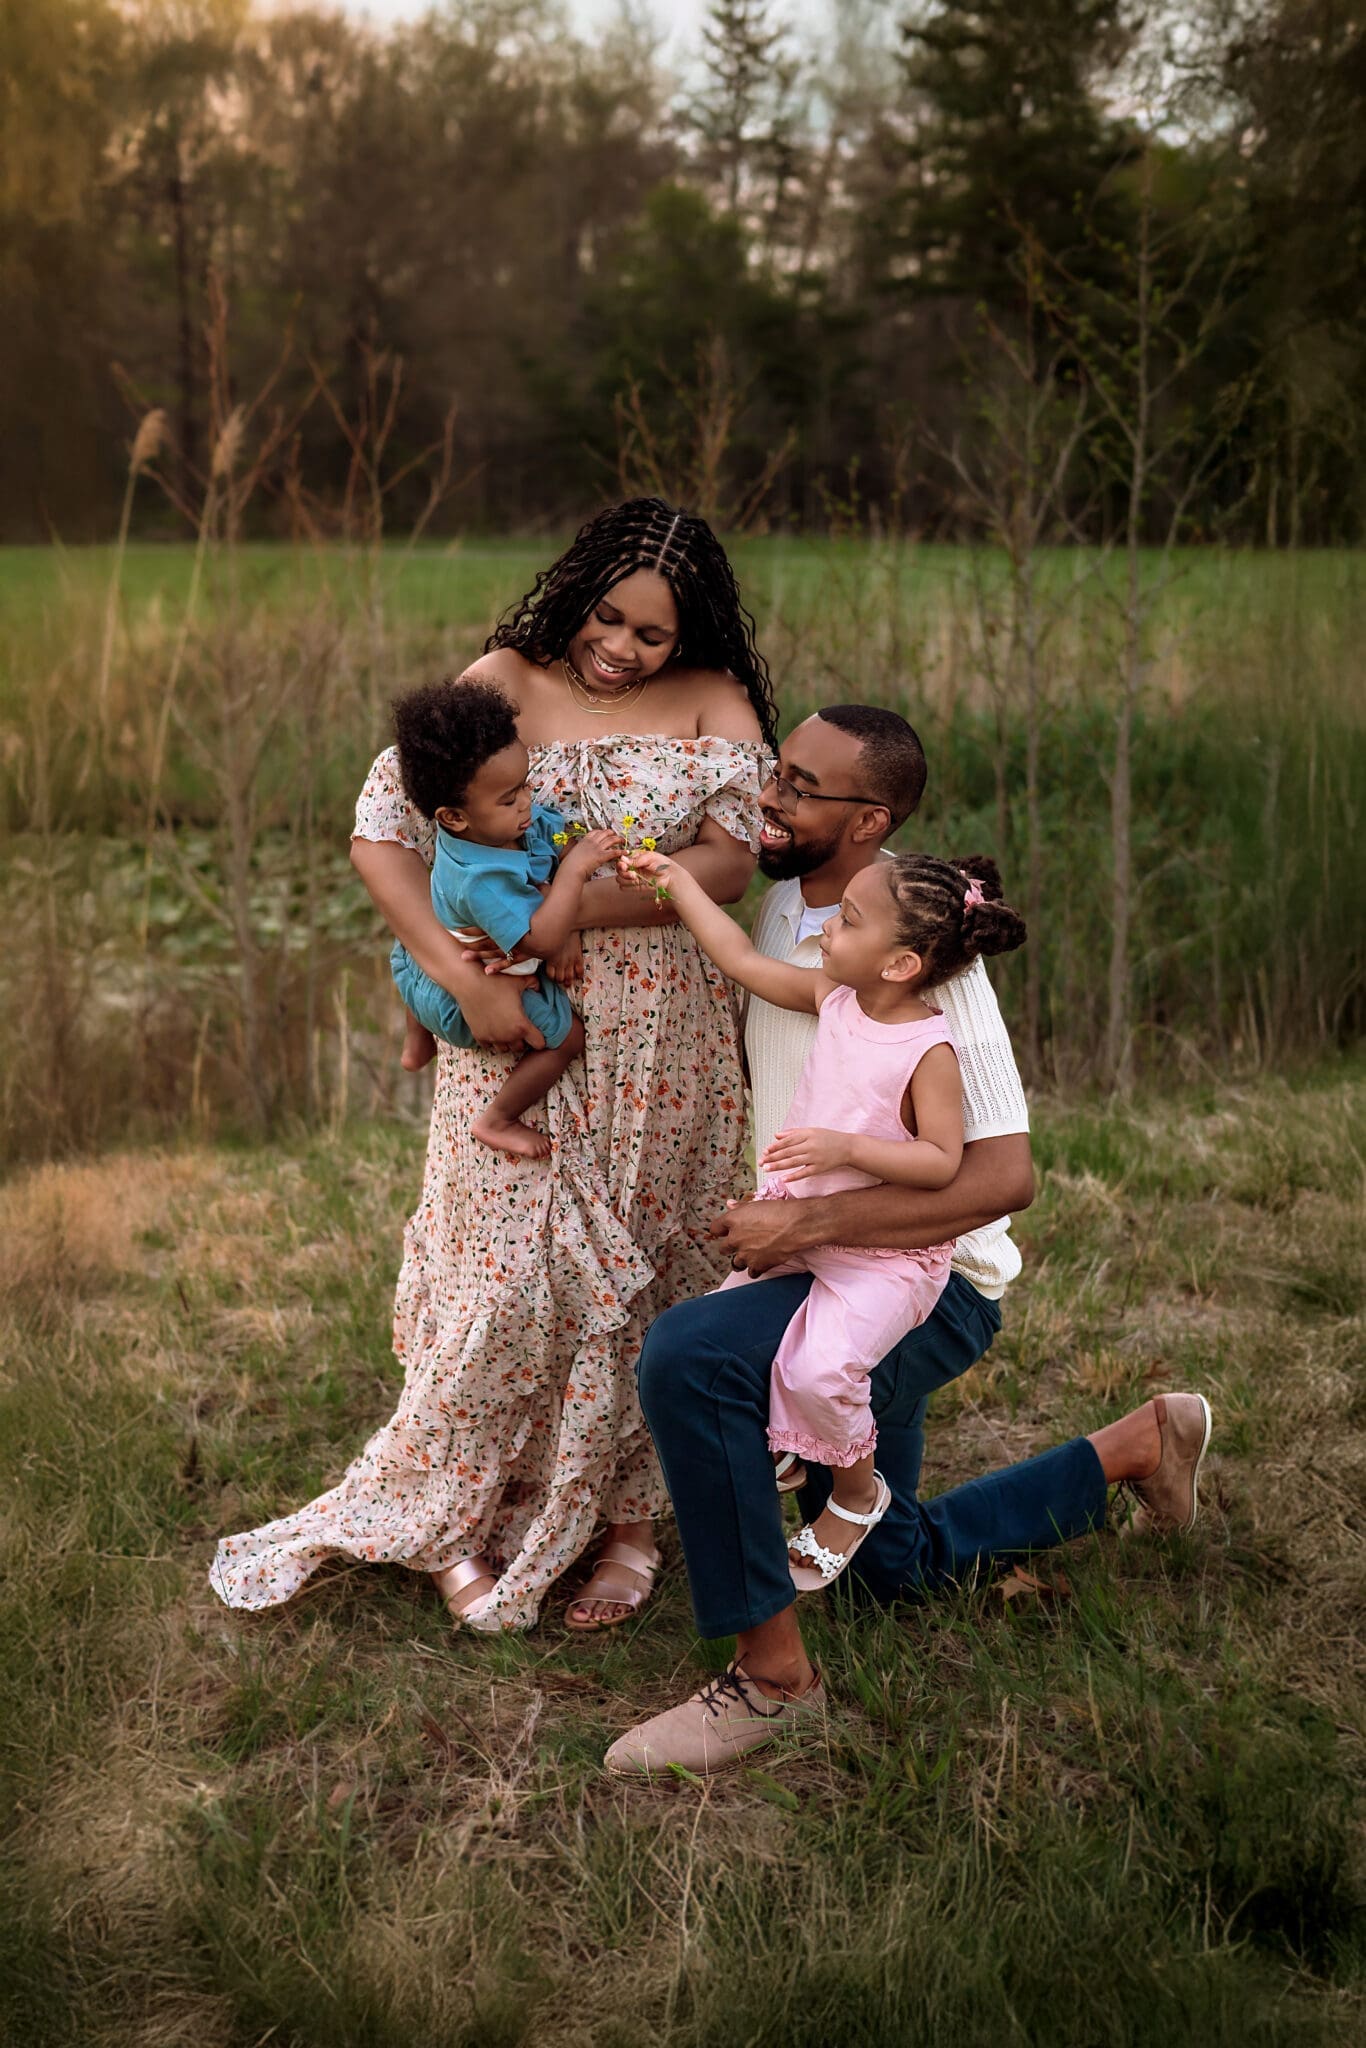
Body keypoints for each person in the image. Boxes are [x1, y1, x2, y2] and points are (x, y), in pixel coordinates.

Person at [602, 706, 1213, 1776]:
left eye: (798, 785)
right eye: (774, 773)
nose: (770, 797)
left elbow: (1000, 1174)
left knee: (691, 1357)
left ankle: (772, 1680)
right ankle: (1133, 1446)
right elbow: (762, 995)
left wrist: (809, 1216)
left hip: (923, 1282)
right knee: (893, 1574)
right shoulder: (797, 907)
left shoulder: (929, 965)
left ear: (869, 816)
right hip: (819, 1264)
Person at [210, 498, 775, 1634]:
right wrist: (464, 979)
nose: (618, 648)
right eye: (605, 618)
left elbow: (733, 858)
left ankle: (625, 1520)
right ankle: (459, 1512)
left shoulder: (718, 701)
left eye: (650, 635)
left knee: (653, 1267)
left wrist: (580, 909)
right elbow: (385, 828)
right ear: (574, 596)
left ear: (691, 633)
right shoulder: (503, 677)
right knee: (496, 1274)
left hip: (667, 1032)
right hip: (515, 1021)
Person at [622, 841, 1025, 1591]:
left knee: (818, 1369)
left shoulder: (929, 1047)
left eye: (847, 920)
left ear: (901, 964)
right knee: (719, 1335)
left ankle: (856, 1494)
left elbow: (941, 1162)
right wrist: (677, 882)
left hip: (885, 1258)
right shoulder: (833, 1000)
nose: (827, 929)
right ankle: (790, 1445)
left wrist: (849, 1146)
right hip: (804, 1234)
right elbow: (740, 959)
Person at [387, 676, 622, 1160]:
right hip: (470, 994)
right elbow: (540, 939)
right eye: (509, 798)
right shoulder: (480, 879)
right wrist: (573, 878)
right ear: (453, 817)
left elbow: (561, 835)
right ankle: (498, 1118)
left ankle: (415, 1040)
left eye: (526, 786)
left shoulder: (505, 826)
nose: (527, 803)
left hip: (418, 961)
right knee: (566, 1040)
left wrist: (567, 854)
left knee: (415, 950)